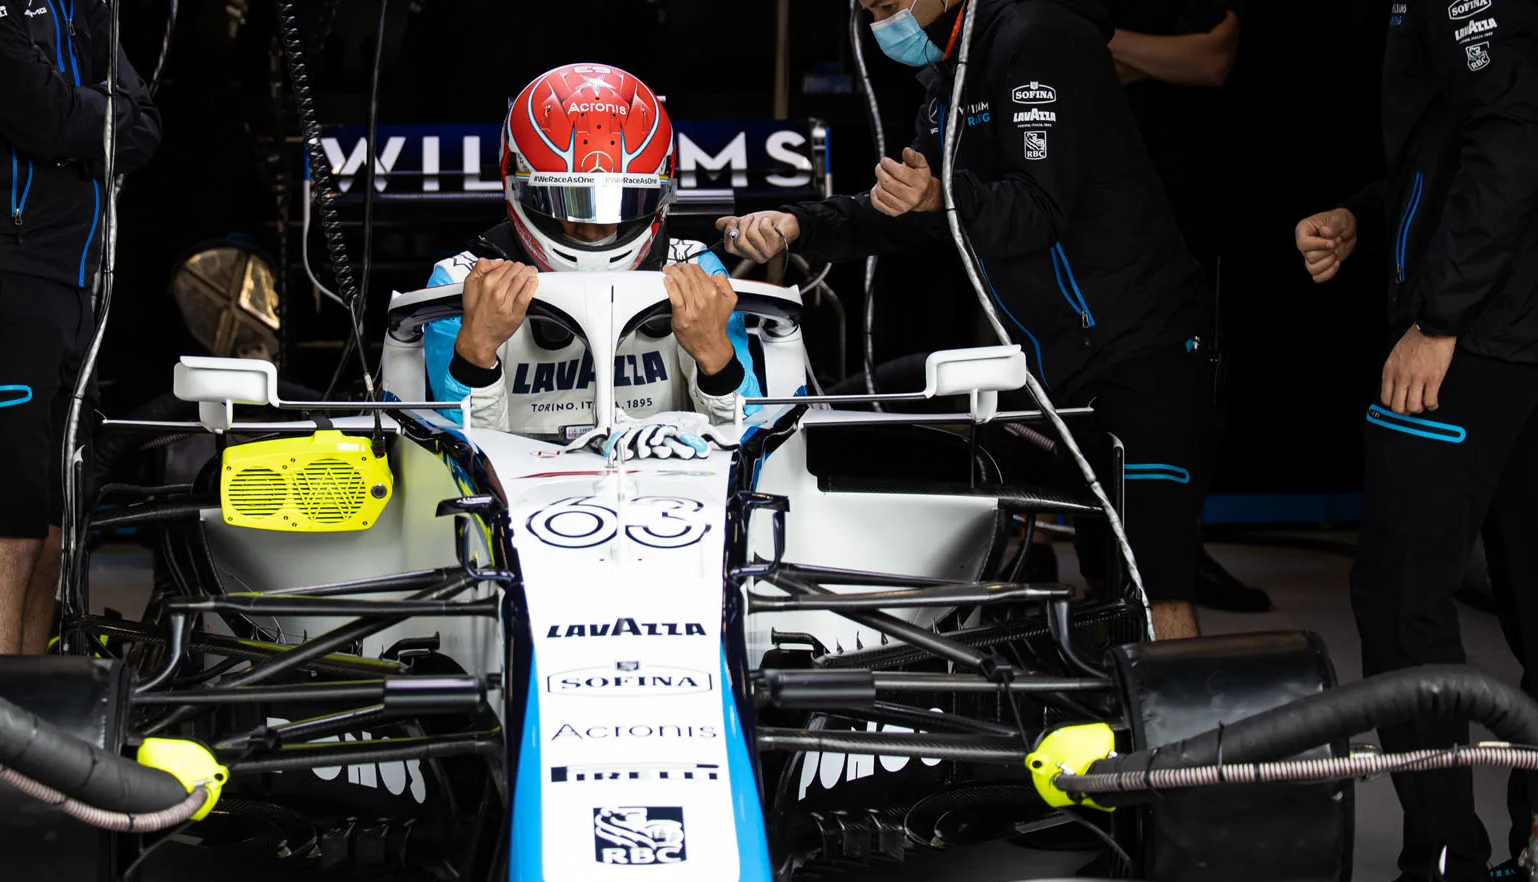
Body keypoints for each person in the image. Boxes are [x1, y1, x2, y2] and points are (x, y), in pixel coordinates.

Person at [721, 0, 1214, 639]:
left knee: (1156, 598)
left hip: (1146, 355)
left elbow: (1039, 209)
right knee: (1108, 587)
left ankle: (1194, 740)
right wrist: (797, 224)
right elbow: (897, 210)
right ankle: (1123, 738)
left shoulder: (1039, 38)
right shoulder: (954, 76)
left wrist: (939, 195)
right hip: (1065, 373)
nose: (875, 6)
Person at [1294, 0, 1538, 882]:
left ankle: (1446, 875)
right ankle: (1527, 859)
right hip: (1515, 331)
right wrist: (1366, 214)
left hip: (1478, 336)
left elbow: (1515, 137)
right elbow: (1464, 138)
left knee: (1400, 597)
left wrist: (1439, 319)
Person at [0, 0, 161, 653]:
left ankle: (28, 734)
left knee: (50, 533)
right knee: (8, 526)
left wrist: (89, 115)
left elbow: (146, 125)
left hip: (70, 278)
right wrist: (96, 115)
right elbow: (45, 118)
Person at [424, 62, 759, 448]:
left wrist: (714, 355)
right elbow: (458, 453)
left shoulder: (696, 271)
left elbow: (747, 437)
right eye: (569, 202)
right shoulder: (461, 284)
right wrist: (475, 354)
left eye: (622, 203)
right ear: (516, 185)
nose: (593, 230)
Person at [1106, 0, 1272, 616]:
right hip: (1096, 216)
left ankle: (1180, 553)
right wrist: (1147, 54)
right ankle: (1065, 551)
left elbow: (1213, 58)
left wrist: (1107, 42)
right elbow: (1064, 66)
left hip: (1187, 210)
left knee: (1193, 393)